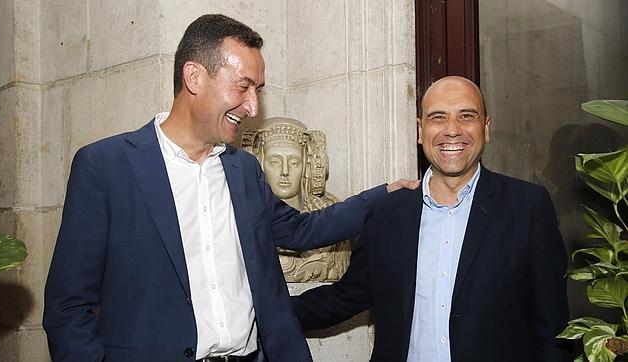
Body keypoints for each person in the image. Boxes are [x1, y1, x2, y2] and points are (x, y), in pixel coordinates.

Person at [42, 14, 417, 362]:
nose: (253, 106)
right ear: (194, 77)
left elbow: (302, 230)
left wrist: (384, 195)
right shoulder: (106, 167)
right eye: (243, 87)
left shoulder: (243, 169)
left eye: (259, 89)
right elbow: (68, 308)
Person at [293, 76, 571, 362]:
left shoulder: (527, 207)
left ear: (486, 128)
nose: (452, 130)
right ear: (420, 130)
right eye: (438, 117)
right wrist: (259, 310)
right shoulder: (387, 214)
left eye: (466, 116)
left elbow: (553, 330)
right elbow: (346, 297)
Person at [242, 117, 351, 282]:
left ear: (308, 166)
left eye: (294, 162)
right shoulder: (242, 213)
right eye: (274, 162)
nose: (285, 171)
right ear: (259, 164)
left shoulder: (330, 213)